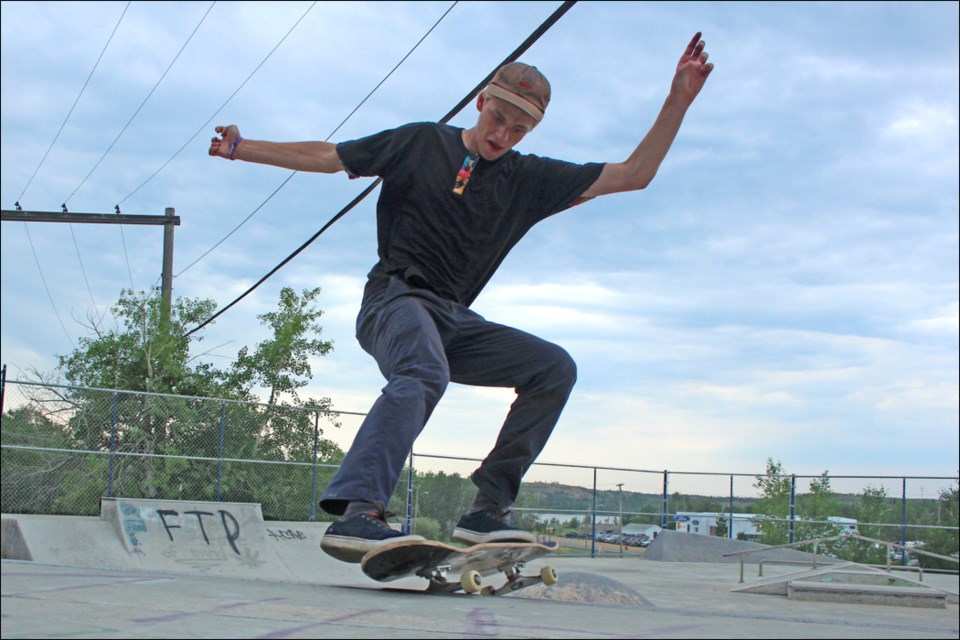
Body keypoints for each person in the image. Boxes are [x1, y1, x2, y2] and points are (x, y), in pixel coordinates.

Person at [209, 33, 713, 562]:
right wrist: (243, 149)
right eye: (497, 119)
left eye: (519, 130)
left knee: (554, 367)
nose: (502, 135)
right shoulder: (420, 143)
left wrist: (678, 100)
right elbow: (329, 157)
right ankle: (360, 512)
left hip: (453, 319)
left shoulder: (529, 179)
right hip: (393, 300)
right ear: (481, 101)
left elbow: (634, 175)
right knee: (425, 371)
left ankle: (485, 512)